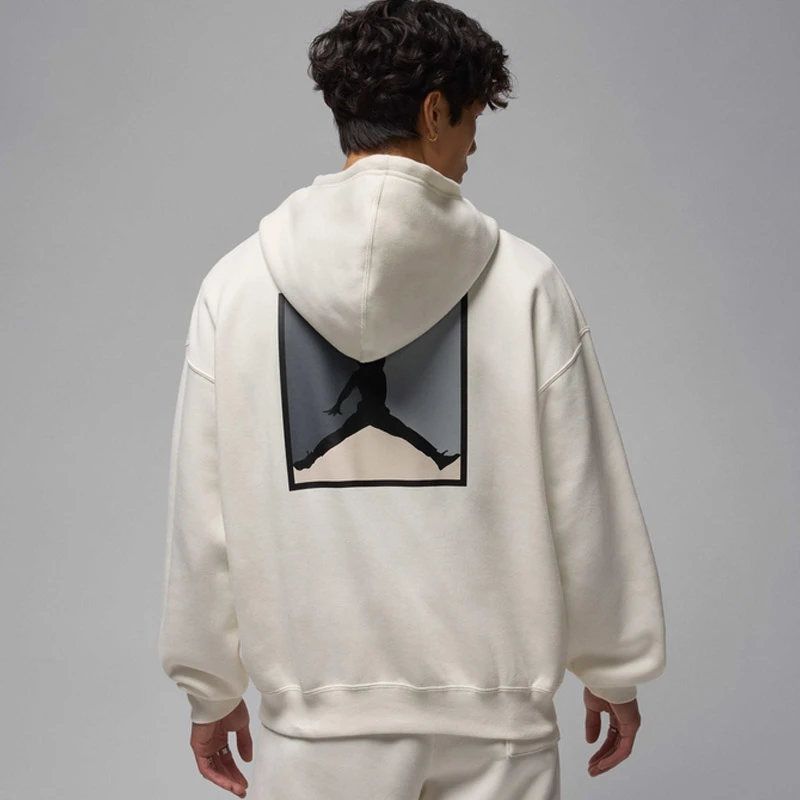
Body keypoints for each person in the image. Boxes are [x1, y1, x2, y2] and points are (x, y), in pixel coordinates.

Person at [157, 1, 667, 797]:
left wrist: (210, 689)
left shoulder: (236, 288)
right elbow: (583, 494)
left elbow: (204, 511)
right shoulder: (527, 285)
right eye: (471, 121)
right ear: (434, 114)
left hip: (316, 735)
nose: (473, 149)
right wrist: (613, 663)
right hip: (499, 731)